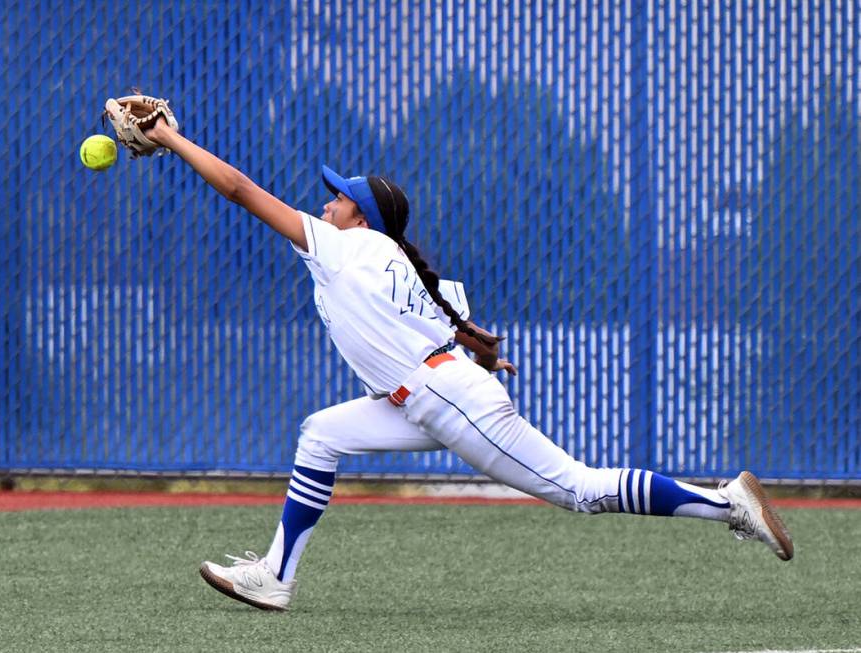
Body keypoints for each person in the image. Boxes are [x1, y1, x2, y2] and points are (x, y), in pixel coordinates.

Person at [142, 118, 794, 612]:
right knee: (322, 434)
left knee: (579, 488)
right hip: (424, 395)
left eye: (339, 197)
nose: (328, 203)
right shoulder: (389, 258)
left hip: (445, 398)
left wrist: (172, 136)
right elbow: (457, 321)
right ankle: (276, 575)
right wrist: (482, 349)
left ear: (359, 217)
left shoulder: (344, 245)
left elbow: (238, 189)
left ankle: (726, 503)